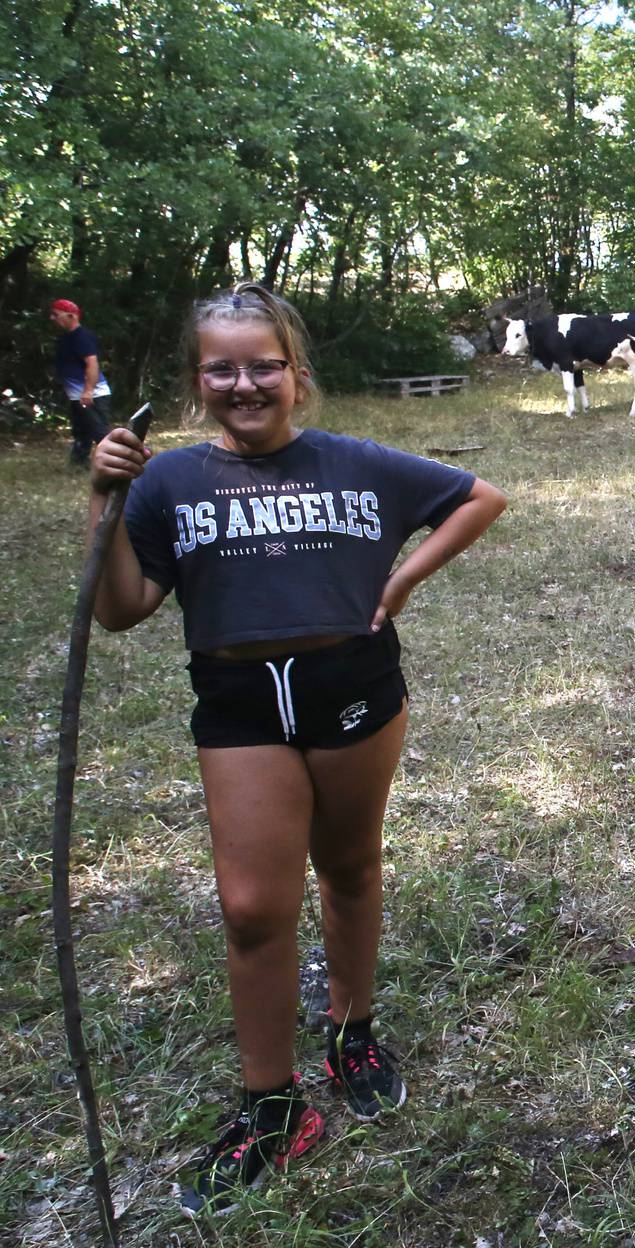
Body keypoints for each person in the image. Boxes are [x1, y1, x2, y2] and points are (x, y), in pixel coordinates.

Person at [86, 283, 509, 1215]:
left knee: (350, 867)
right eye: (223, 367)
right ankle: (273, 1106)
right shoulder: (168, 482)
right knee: (250, 908)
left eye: (263, 365)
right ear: (199, 381)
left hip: (351, 687)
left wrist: (399, 583)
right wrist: (104, 502)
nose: (245, 382)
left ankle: (352, 1031)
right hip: (239, 701)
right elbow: (121, 609)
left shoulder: (356, 462)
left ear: (297, 376)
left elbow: (482, 497)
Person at [50, 298, 111, 465]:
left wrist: (88, 390)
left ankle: (118, 463)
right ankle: (78, 463)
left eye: (56, 315)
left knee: (100, 432)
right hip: (77, 395)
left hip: (92, 394)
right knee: (80, 431)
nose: (52, 318)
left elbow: (92, 363)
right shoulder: (65, 338)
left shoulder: (81, 337)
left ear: (71, 316)